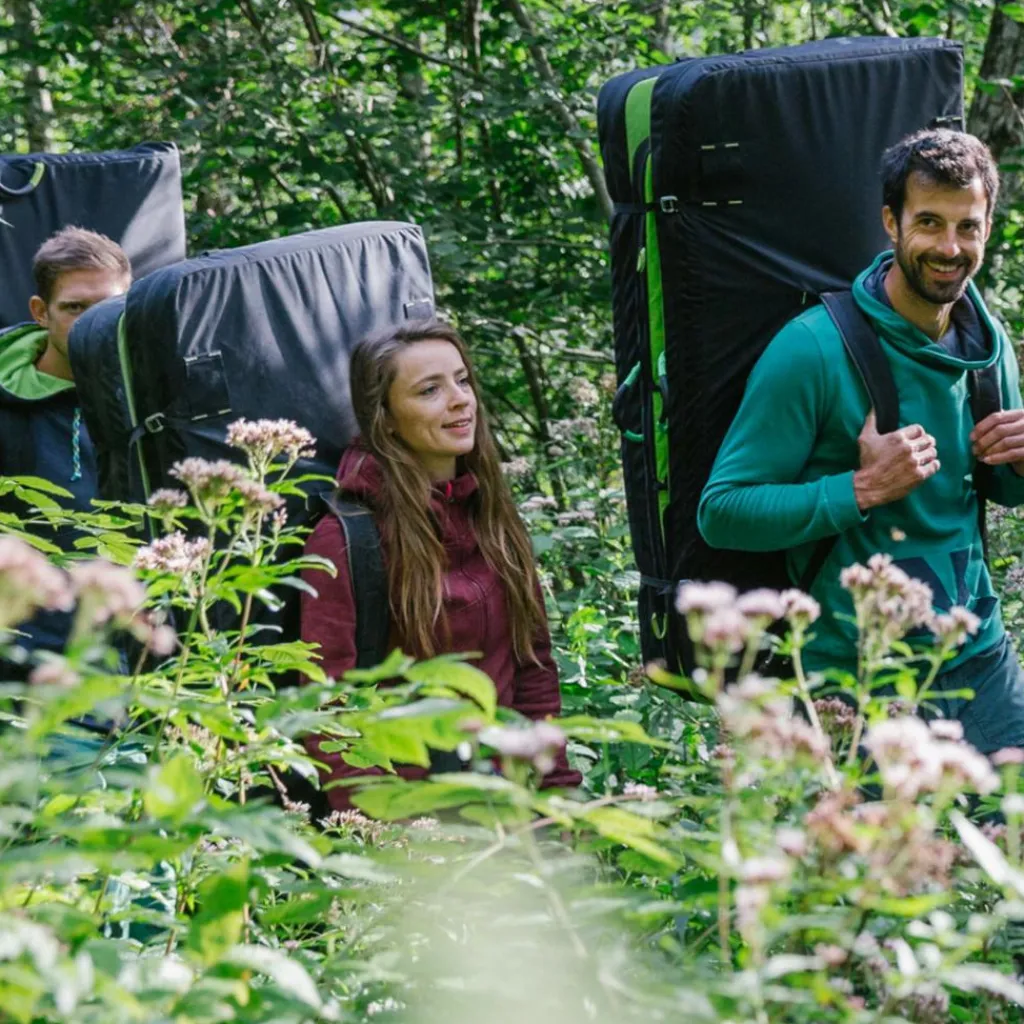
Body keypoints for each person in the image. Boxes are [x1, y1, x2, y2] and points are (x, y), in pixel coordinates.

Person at [698, 129, 1024, 754]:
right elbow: (723, 511)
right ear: (890, 223)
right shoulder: (814, 349)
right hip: (852, 677)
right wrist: (862, 488)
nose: (949, 247)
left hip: (977, 657)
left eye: (968, 227)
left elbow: (998, 488)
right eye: (928, 222)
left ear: (987, 229)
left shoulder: (987, 345)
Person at [300, 320, 580, 809]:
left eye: (462, 380)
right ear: (385, 417)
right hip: (413, 820)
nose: (460, 400)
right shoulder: (347, 540)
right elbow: (329, 712)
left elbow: (532, 668)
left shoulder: (491, 515)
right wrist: (387, 835)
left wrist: (556, 798)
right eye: (430, 390)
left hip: (508, 807)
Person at [0, 226, 131, 669]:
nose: (93, 323)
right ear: (41, 312)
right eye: (75, 308)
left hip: (137, 650)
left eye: (109, 307)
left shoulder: (154, 394)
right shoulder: (7, 402)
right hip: (24, 656)